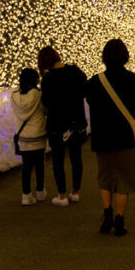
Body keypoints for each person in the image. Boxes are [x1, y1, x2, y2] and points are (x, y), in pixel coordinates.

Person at [84, 39, 135, 236]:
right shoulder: (134, 80)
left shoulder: (95, 81)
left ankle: (107, 214)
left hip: (102, 137)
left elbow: (89, 100)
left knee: (105, 177)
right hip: (125, 137)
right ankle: (120, 221)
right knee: (124, 180)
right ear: (125, 56)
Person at [38, 46, 87, 206]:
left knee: (58, 160)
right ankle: (75, 192)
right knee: (76, 157)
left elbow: (45, 103)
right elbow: (85, 90)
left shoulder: (48, 78)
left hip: (57, 125)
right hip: (76, 123)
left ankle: (62, 195)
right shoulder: (76, 72)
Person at [11, 68, 48, 206]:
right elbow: (45, 111)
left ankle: (26, 195)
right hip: (38, 135)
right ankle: (40, 192)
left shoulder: (14, 97)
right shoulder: (38, 96)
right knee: (40, 165)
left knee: (26, 167)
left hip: (23, 138)